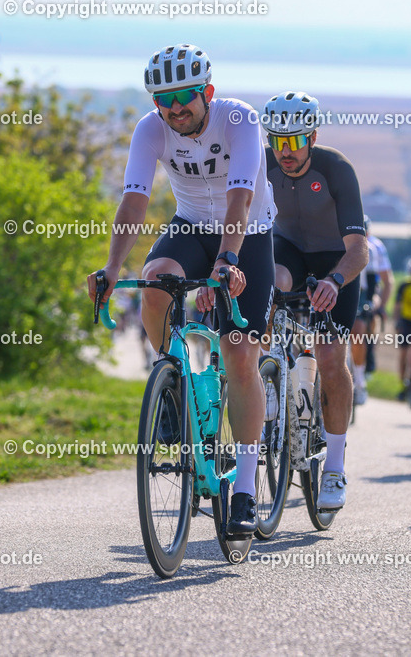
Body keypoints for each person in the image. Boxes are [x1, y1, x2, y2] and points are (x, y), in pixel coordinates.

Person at [93, 44, 277, 534]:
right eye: (164, 99)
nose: (175, 109)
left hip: (249, 234)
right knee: (153, 283)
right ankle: (172, 382)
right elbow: (134, 201)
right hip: (193, 225)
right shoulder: (151, 129)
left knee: (239, 354)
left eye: (186, 97)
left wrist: (229, 258)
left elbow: (241, 198)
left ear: (207, 93)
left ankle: (243, 487)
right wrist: (112, 267)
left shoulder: (239, 121)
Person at [262, 90, 368, 510]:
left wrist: (335, 281)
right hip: (287, 247)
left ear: (312, 136)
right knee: (269, 283)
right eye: (277, 141)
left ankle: (336, 468)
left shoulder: (337, 169)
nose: (285, 151)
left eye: (295, 141)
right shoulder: (263, 164)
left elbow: (359, 249)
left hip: (336, 258)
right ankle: (267, 370)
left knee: (329, 357)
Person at [351, 215, 392, 404]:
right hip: (342, 288)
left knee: (359, 330)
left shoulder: (374, 248)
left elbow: (381, 282)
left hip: (363, 291)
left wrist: (379, 305)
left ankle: (359, 380)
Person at [393, 257, 411, 400]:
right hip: (406, 321)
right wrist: (397, 322)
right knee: (404, 354)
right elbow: (397, 306)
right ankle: (402, 384)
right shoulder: (405, 286)